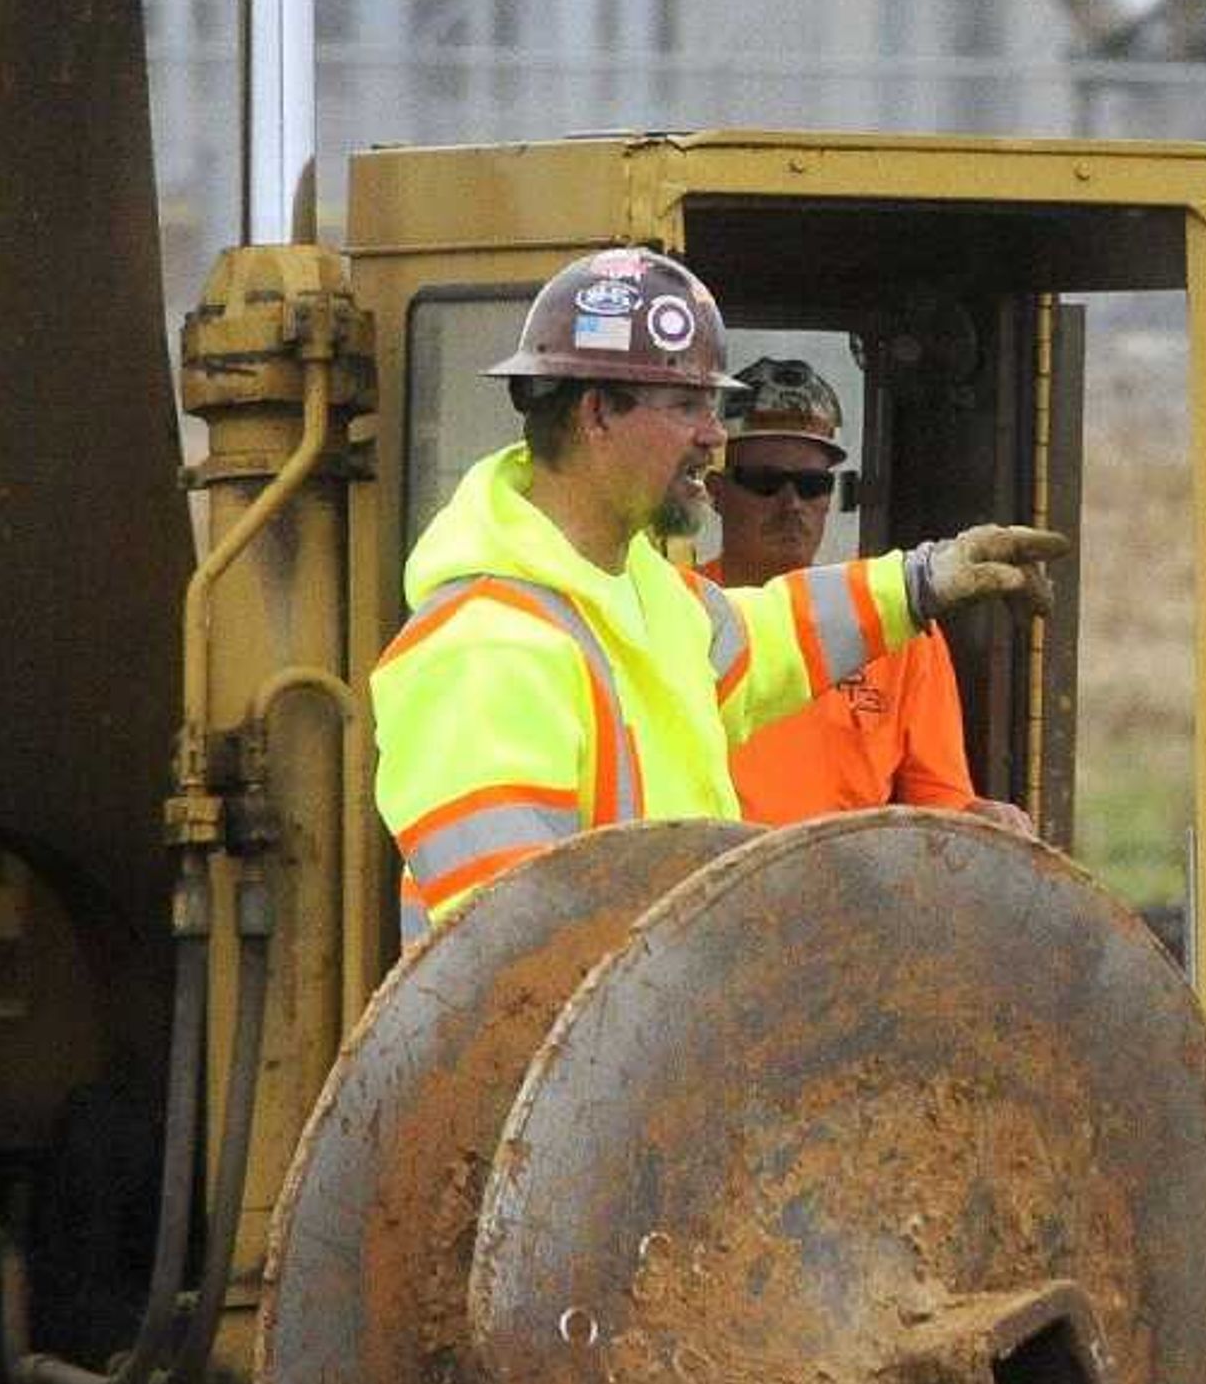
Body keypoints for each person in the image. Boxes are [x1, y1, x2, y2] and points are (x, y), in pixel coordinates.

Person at [371, 249, 1064, 942]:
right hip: (571, 1045)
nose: (713, 434)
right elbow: (514, 957)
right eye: (685, 404)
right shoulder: (486, 651)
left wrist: (921, 581)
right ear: (595, 414)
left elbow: (767, 639)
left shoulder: (638, 590)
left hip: (661, 1027)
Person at [710, 357, 1034, 835]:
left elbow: (938, 799)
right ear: (716, 492)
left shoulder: (897, 629)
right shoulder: (678, 612)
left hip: (846, 896)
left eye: (812, 484)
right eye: (764, 481)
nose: (791, 504)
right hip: (704, 888)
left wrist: (982, 820)